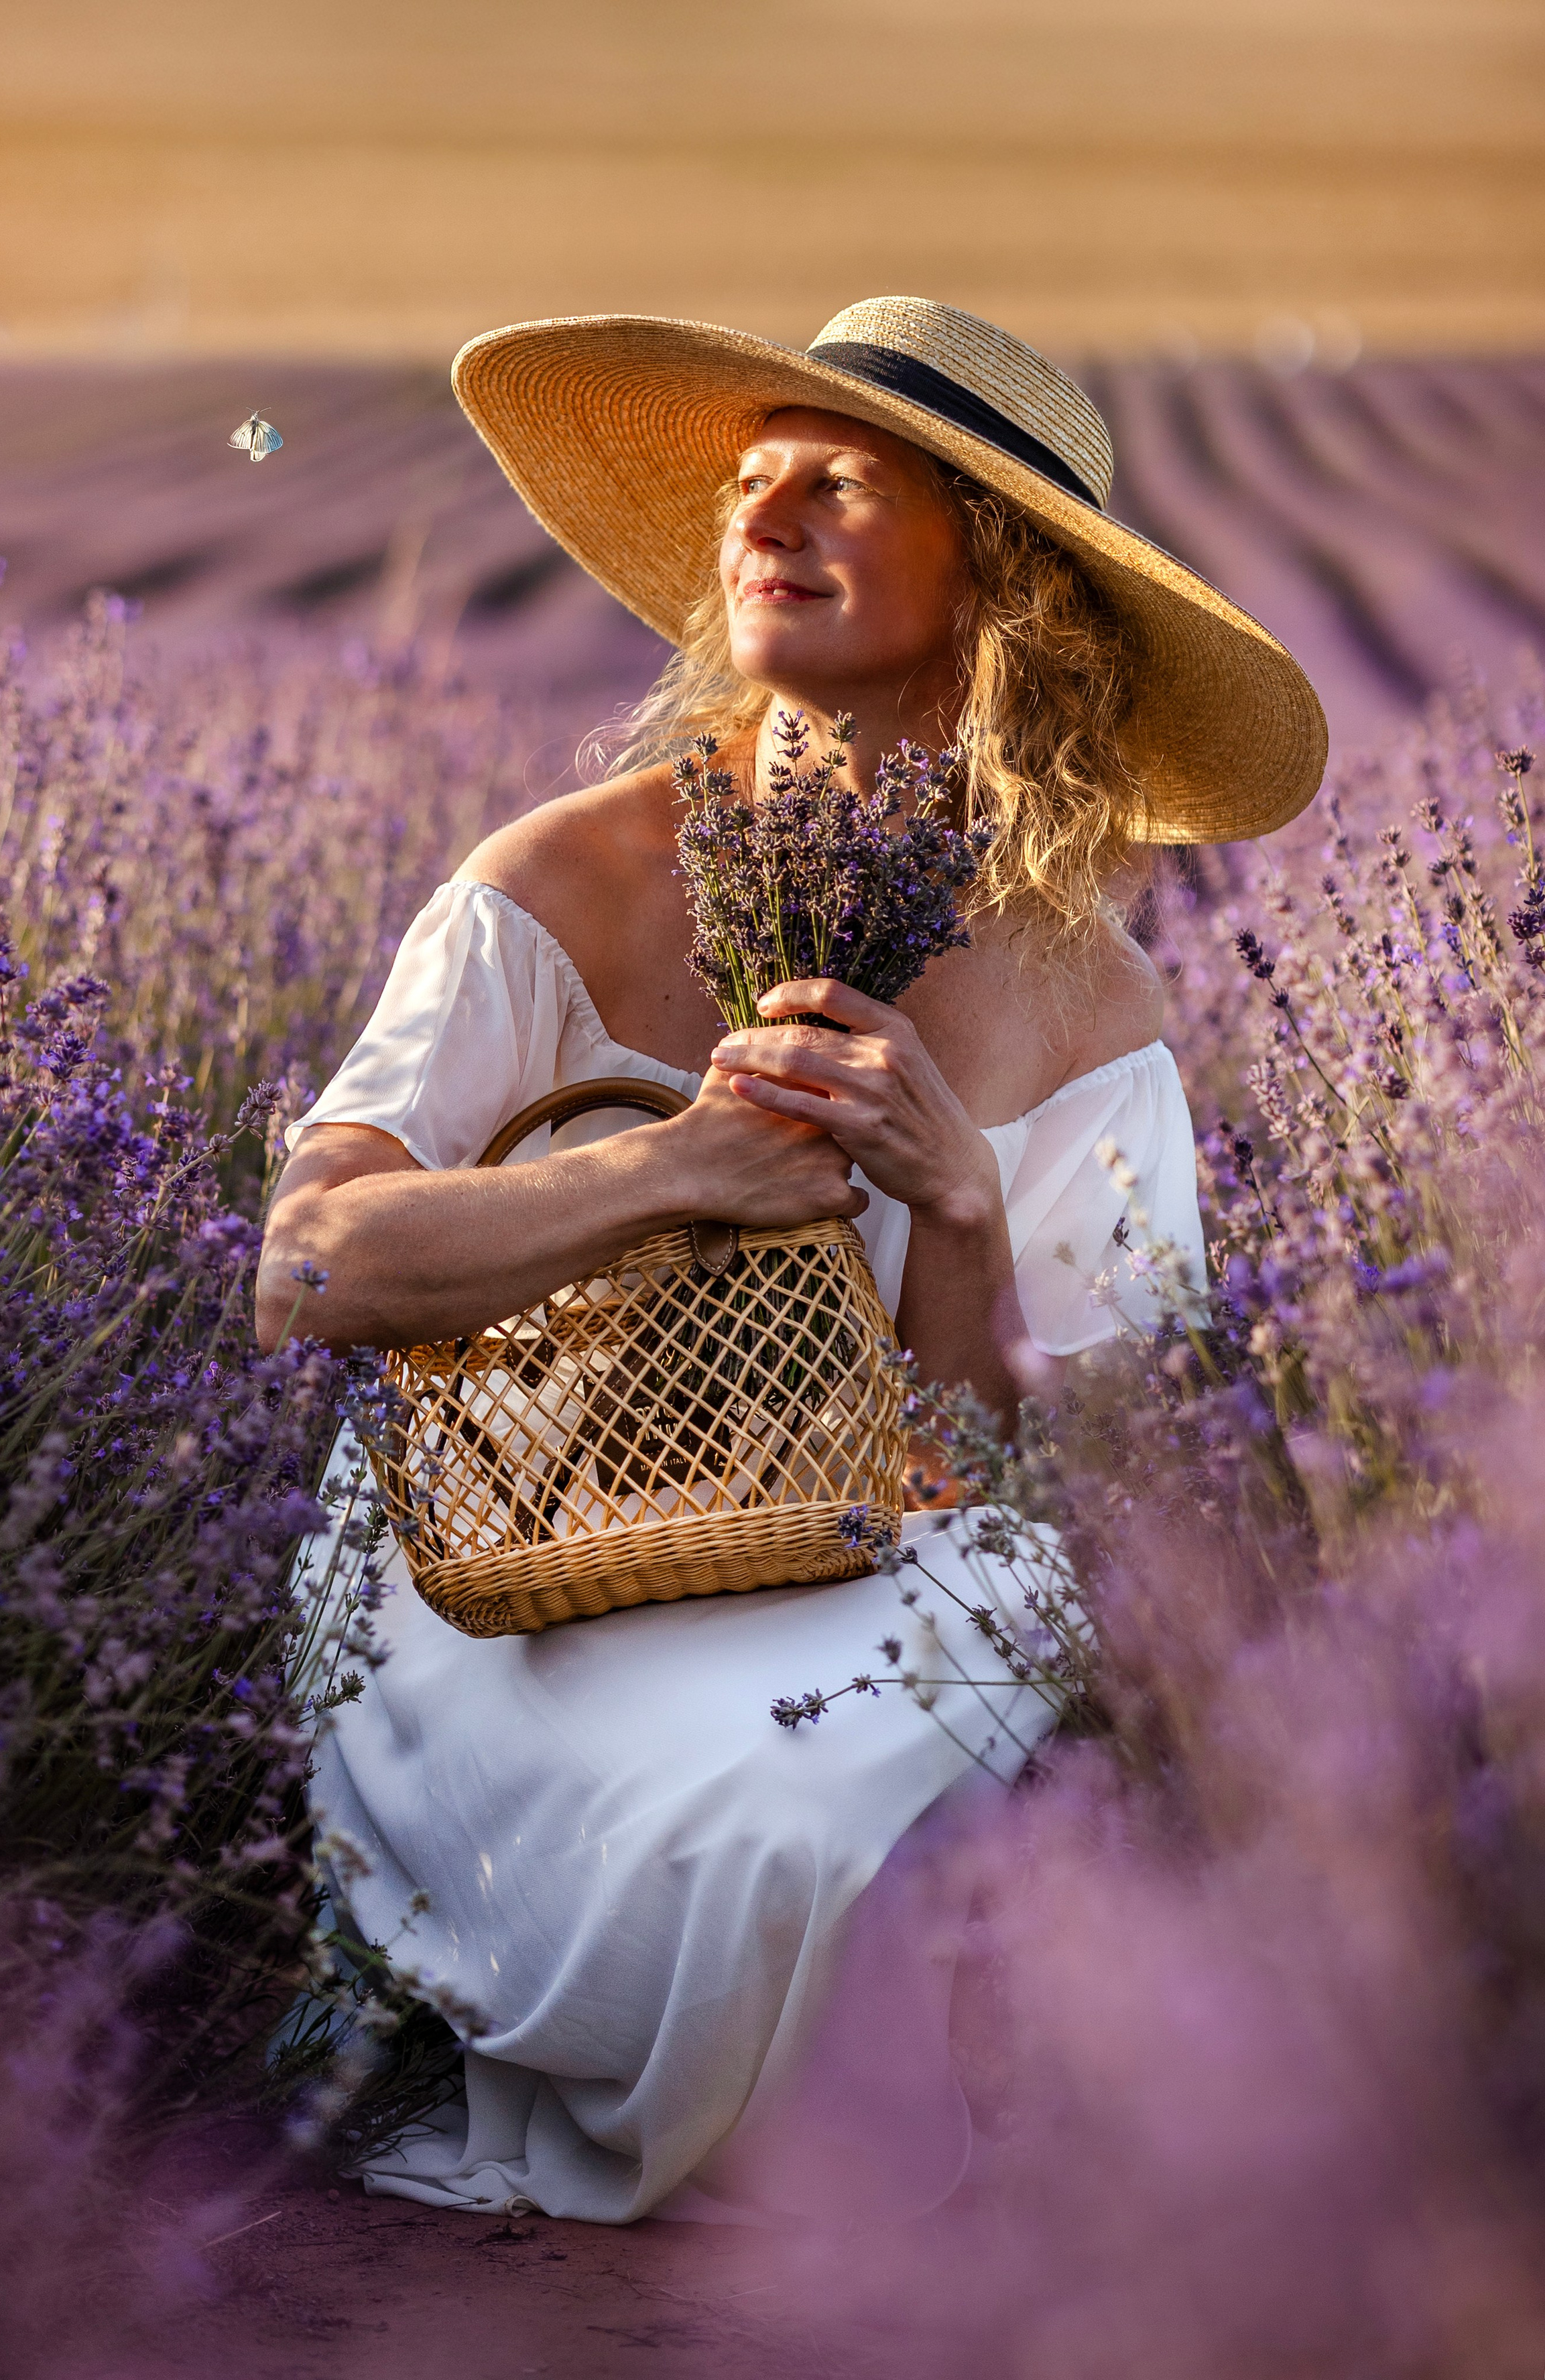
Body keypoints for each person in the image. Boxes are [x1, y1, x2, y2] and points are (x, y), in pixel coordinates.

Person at [257, 297, 1326, 2224]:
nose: (764, 519)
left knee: (874, 1734)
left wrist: (960, 1209)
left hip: (875, 1548)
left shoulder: (1087, 996)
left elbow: (1056, 1477)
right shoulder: (564, 876)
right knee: (743, 1812)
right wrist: (677, 1167)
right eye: (752, 483)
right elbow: (311, 1272)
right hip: (517, 1565)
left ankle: (869, 2139)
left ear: (999, 583)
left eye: (840, 484)